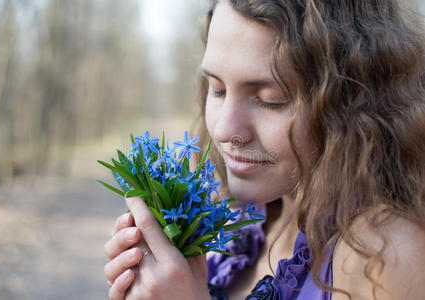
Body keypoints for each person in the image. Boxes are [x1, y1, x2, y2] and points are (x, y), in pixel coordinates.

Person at [103, 0, 425, 299]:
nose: (225, 130)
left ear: (348, 102)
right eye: (217, 89)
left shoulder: (385, 257)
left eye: (269, 100)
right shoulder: (239, 222)